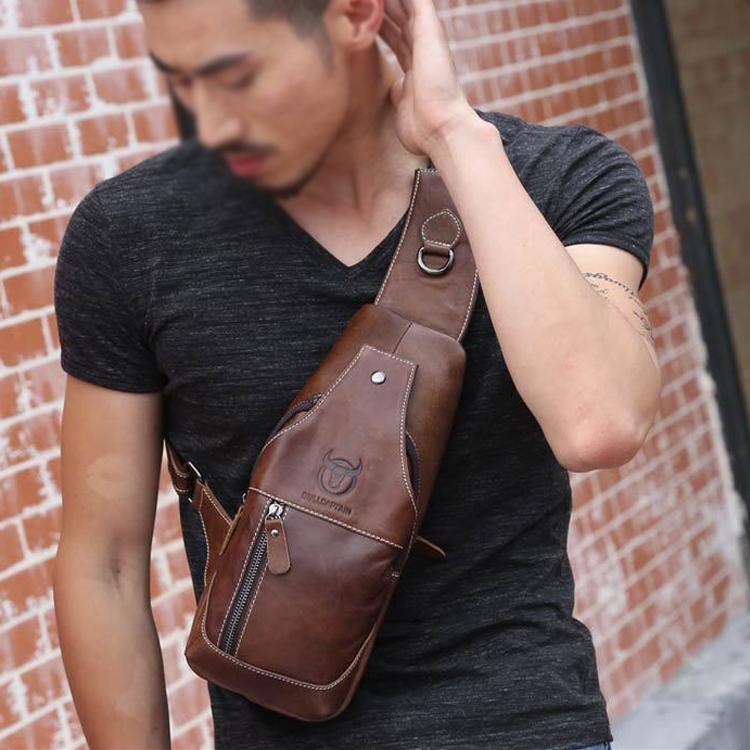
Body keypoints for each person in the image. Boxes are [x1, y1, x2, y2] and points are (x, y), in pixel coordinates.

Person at [52, 0, 661, 748]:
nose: (209, 123)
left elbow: (598, 422)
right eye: (181, 81)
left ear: (358, 15)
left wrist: (453, 133)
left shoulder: (554, 180)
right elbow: (105, 565)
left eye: (236, 77)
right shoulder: (130, 236)